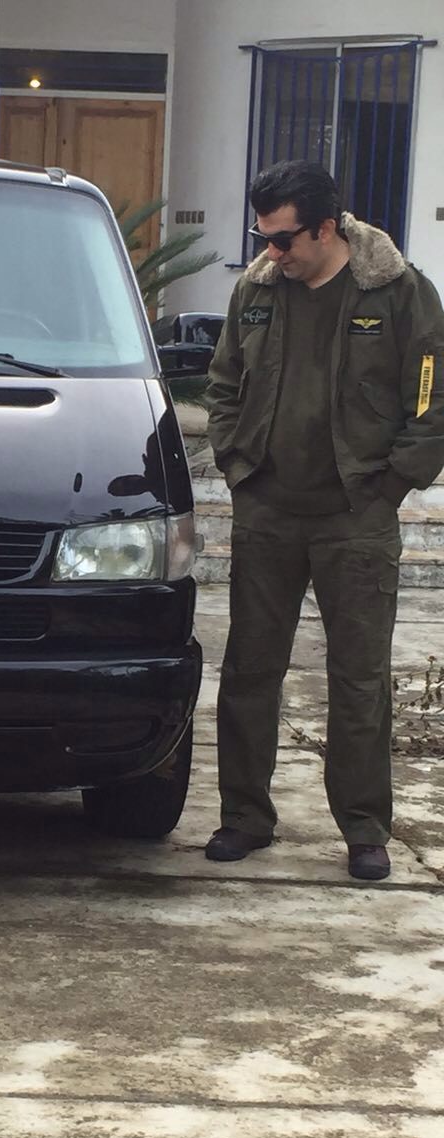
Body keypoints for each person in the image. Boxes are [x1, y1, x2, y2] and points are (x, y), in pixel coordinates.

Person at [205, 159, 444, 881]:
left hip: (356, 517)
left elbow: (431, 397)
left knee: (359, 679)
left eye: (283, 239)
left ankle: (365, 829)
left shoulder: (397, 292)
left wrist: (392, 485)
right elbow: (223, 383)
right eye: (263, 237)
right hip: (268, 510)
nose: (271, 252)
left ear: (326, 228)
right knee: (250, 670)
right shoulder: (255, 292)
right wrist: (238, 467)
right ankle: (244, 817)